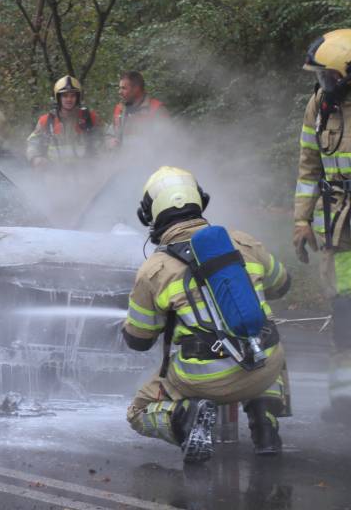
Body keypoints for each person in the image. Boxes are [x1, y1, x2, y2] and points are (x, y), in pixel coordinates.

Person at [124, 166, 290, 463]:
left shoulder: (154, 271)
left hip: (204, 382)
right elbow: (282, 283)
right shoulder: (243, 241)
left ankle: (185, 421)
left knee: (138, 411)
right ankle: (266, 423)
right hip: (265, 369)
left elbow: (139, 339)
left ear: (149, 215)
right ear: (200, 200)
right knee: (269, 340)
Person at [294, 28, 351, 414]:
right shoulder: (319, 106)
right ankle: (343, 401)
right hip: (340, 227)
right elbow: (308, 168)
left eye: (328, 77)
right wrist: (301, 221)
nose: (323, 84)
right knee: (345, 315)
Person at [26, 75, 100, 168]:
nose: (69, 99)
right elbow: (33, 143)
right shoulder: (46, 120)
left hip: (84, 175)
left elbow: (101, 143)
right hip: (53, 175)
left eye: (72, 95)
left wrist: (97, 166)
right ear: (58, 98)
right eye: (65, 96)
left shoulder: (89, 118)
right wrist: (35, 158)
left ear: (77, 98)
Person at [109, 71, 167, 147]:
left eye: (124, 88)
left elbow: (167, 141)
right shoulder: (120, 109)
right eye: (120, 88)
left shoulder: (156, 109)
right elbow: (110, 134)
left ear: (136, 88)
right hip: (123, 158)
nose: (119, 92)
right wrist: (110, 141)